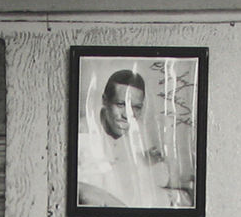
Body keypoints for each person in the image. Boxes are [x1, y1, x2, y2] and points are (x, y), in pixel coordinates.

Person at [76, 68, 186, 209]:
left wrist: (145, 161)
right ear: (105, 101)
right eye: (121, 104)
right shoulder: (82, 135)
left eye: (136, 107)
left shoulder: (139, 133)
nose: (128, 115)